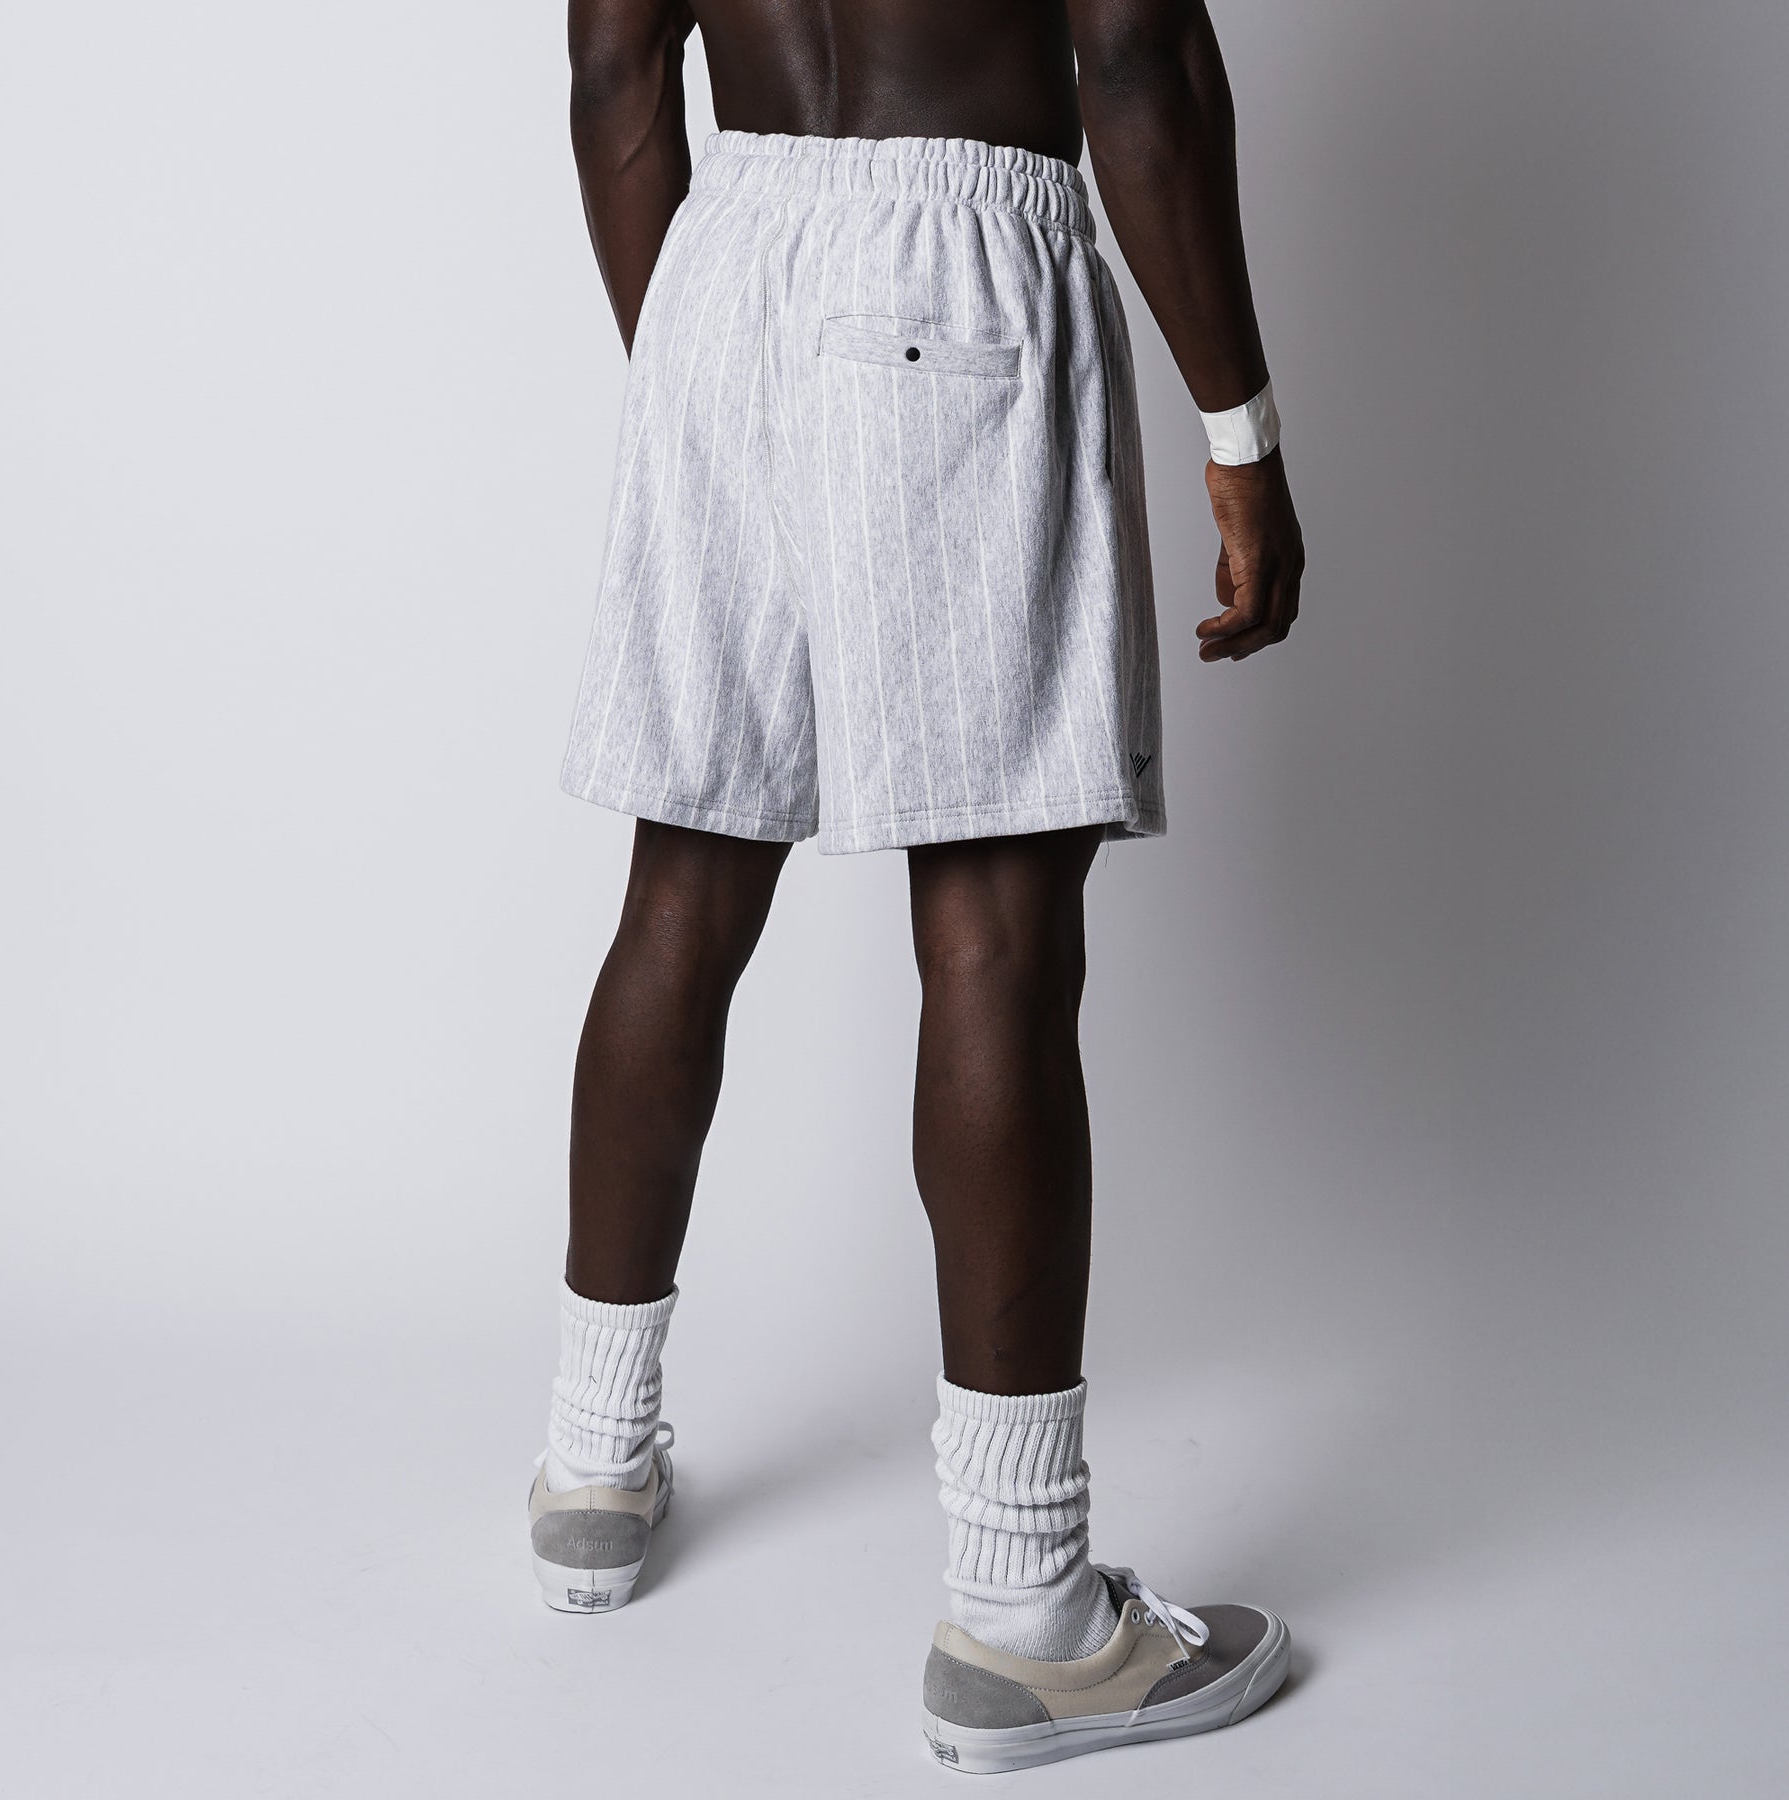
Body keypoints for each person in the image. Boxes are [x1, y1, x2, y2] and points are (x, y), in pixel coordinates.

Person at [526, 0, 1306, 1771]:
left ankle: (590, 1469)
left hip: (721, 263)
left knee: (683, 883)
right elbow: (1136, 61)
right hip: (958, 276)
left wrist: (703, 362)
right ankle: (1029, 1616)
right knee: (995, 934)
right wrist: (1242, 429)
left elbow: (613, 67)